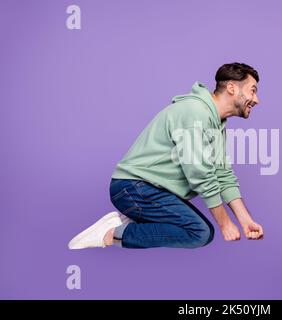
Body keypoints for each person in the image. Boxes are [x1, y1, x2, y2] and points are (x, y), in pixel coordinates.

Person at [68, 62, 264, 249]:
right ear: (231, 87)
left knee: (202, 233)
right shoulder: (194, 112)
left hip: (151, 189)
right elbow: (201, 175)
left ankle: (133, 218)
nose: (256, 100)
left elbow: (223, 174)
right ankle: (112, 233)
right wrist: (225, 224)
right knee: (199, 232)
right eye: (252, 90)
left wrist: (245, 221)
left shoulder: (216, 122)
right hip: (133, 186)